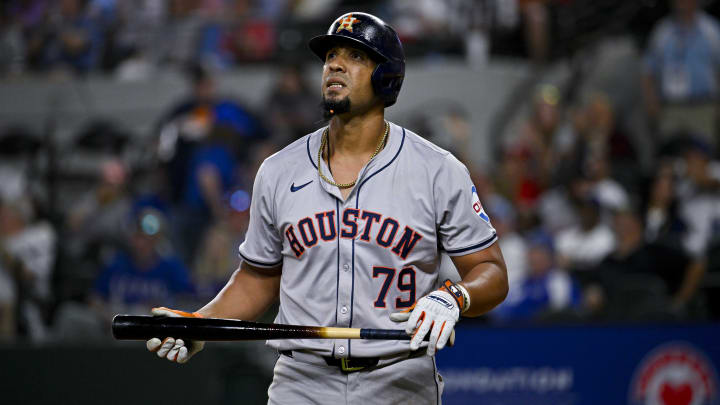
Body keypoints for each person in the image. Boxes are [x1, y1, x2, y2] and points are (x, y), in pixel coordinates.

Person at [145, 12, 508, 404]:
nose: (334, 63)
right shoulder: (278, 170)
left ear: (387, 76)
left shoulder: (437, 170)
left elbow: (491, 271)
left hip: (399, 379)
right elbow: (257, 279)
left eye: (355, 56)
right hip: (302, 381)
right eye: (331, 54)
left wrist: (453, 298)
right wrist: (201, 325)